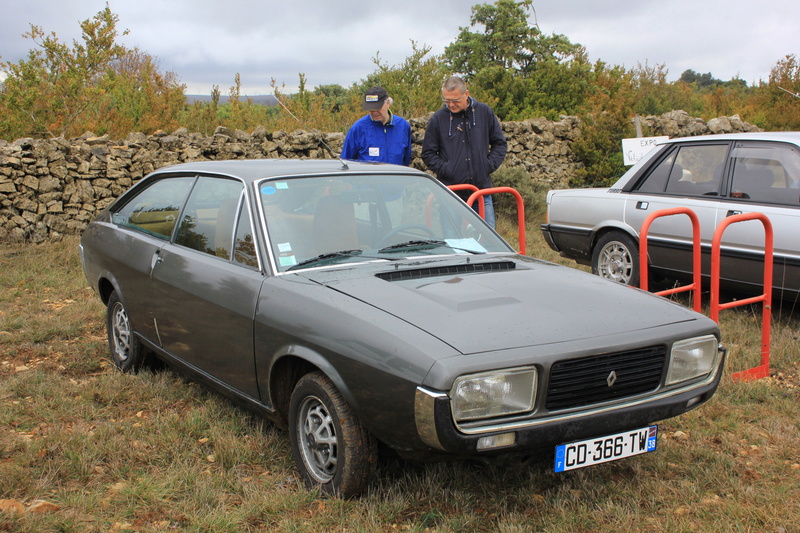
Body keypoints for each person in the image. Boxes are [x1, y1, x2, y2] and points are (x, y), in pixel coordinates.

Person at [422, 76, 507, 228]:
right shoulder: (438, 119)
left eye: (455, 100)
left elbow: (499, 143)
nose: (451, 105)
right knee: (453, 240)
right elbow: (428, 153)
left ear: (466, 94)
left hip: (481, 190)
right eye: (446, 100)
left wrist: (487, 166)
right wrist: (447, 169)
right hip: (451, 192)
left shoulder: (484, 112)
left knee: (488, 238)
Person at [341, 86, 412, 166]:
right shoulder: (358, 128)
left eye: (378, 108)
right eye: (371, 109)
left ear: (388, 103)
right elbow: (346, 162)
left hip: (397, 177)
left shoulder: (403, 126)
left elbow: (406, 159)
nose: (374, 112)